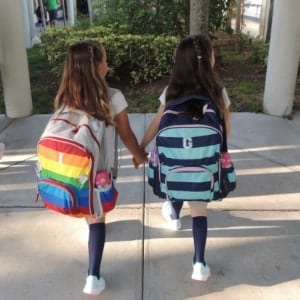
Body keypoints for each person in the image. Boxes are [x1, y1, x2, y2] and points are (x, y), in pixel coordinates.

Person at [54, 39, 147, 295]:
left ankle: (87, 215)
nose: (107, 64)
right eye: (105, 60)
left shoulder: (65, 97)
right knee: (98, 221)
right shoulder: (113, 97)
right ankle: (93, 277)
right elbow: (127, 134)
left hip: (71, 170)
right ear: (98, 66)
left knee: (88, 210)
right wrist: (140, 155)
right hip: (99, 173)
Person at [139, 34, 231, 281]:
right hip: (204, 164)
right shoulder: (218, 93)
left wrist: (140, 147)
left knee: (177, 182)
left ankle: (174, 215)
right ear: (209, 60)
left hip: (174, 163)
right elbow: (226, 133)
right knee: (200, 212)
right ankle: (199, 263)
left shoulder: (171, 92)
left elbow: (158, 125)